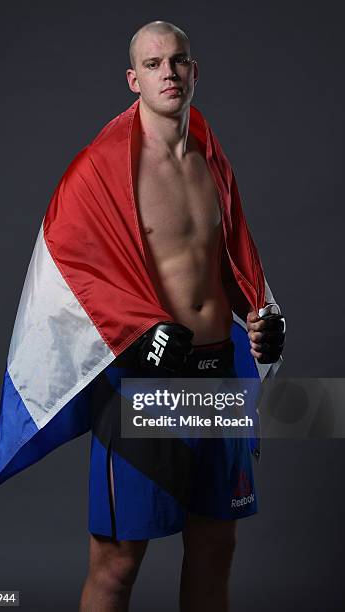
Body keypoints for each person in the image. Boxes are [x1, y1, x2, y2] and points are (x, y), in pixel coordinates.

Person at [78, 20, 285, 612]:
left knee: (216, 545)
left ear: (194, 70)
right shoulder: (104, 168)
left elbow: (234, 264)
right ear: (133, 79)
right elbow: (74, 281)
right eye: (153, 64)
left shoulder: (212, 158)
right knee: (117, 562)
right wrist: (138, 335)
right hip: (147, 385)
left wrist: (264, 318)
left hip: (217, 374)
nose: (168, 72)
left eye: (179, 61)